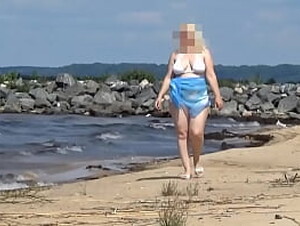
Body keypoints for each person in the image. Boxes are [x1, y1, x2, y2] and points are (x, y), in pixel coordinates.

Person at [155, 23, 223, 179]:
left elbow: (211, 75)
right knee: (182, 133)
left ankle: (197, 161)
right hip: (178, 95)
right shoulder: (175, 54)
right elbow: (168, 77)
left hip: (199, 96)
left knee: (196, 132)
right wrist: (160, 96)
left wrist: (218, 95)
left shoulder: (204, 53)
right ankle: (186, 169)